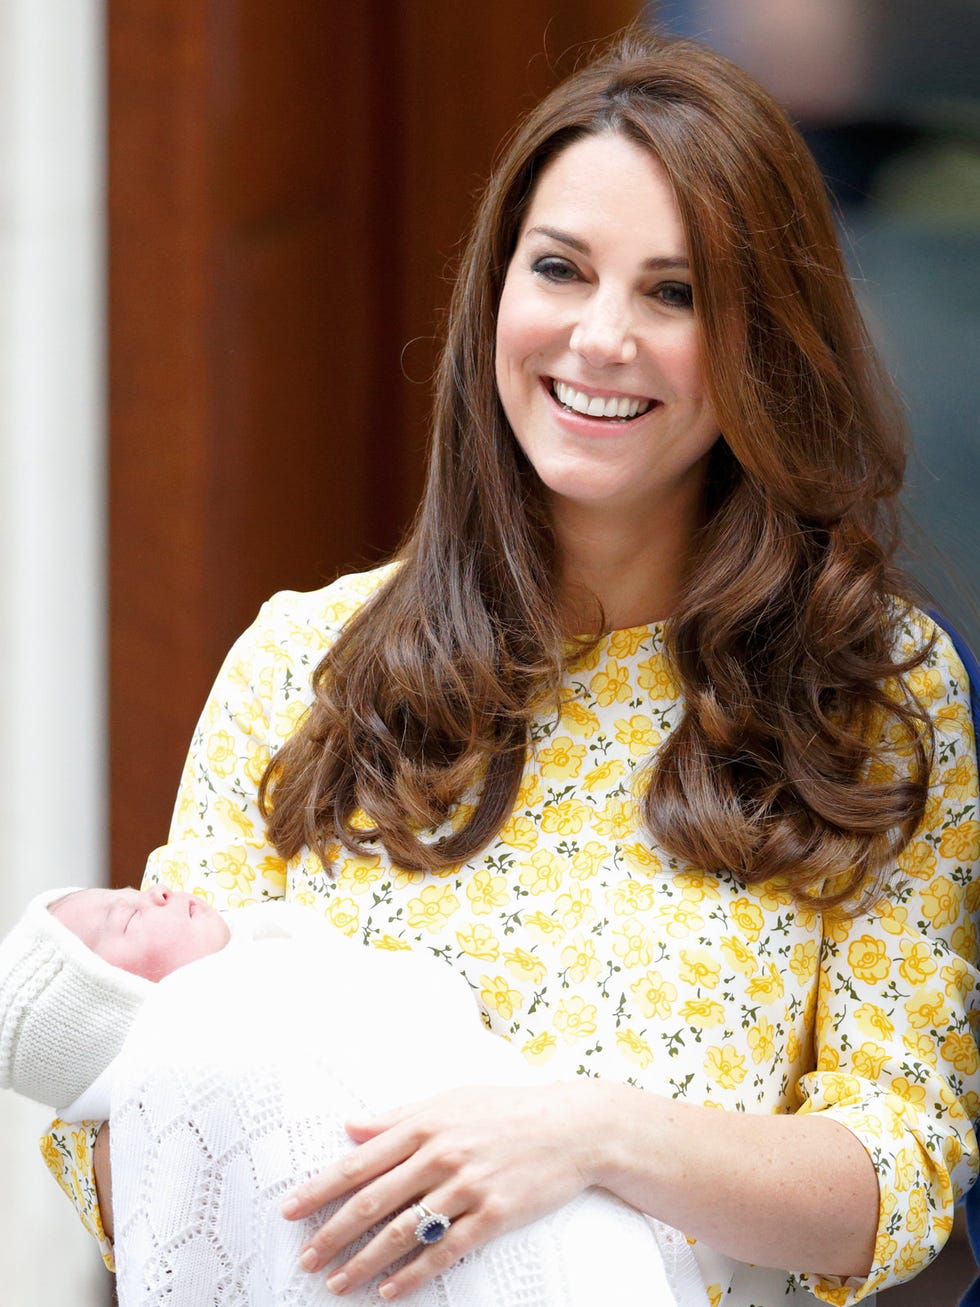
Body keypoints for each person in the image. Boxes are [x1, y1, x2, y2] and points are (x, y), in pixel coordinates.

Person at [42, 28, 980, 1307]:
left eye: (675, 292)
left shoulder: (867, 691)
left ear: (764, 338)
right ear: (495, 292)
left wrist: (580, 1131)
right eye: (560, 269)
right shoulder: (304, 661)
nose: (599, 337)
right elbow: (125, 1118)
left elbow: (897, 1174)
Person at [0, 885, 703, 1306]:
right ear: (108, 1011)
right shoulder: (199, 1040)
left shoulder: (294, 969)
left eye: (129, 891)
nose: (151, 892)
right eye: (122, 921)